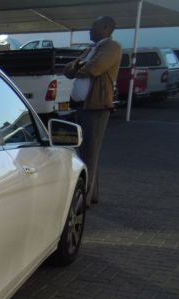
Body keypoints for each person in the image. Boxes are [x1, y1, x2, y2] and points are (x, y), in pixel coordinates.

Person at [63, 16, 121, 206]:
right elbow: (67, 70)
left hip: (96, 107)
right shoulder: (92, 49)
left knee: (90, 152)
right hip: (81, 106)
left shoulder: (111, 47)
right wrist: (80, 67)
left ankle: (84, 199)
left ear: (106, 28)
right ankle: (91, 194)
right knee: (84, 150)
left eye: (94, 26)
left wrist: (79, 67)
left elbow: (95, 69)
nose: (90, 29)